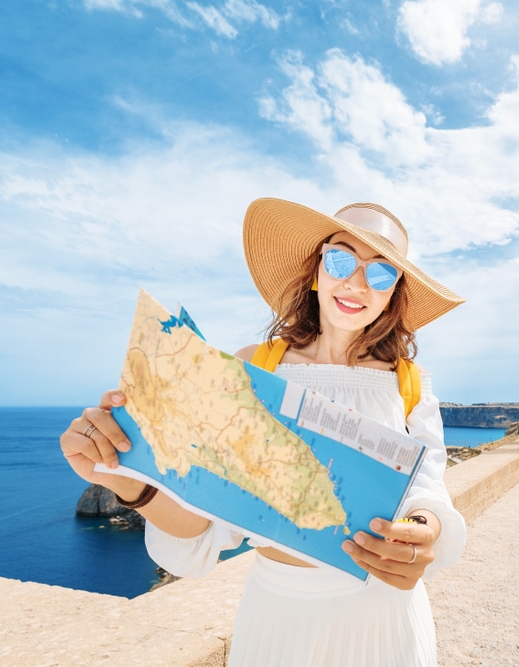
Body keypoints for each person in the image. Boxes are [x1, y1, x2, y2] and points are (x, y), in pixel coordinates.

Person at [59, 199, 467, 666]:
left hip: (386, 617)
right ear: (316, 268)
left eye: (380, 273)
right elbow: (204, 517)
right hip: (278, 617)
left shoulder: (409, 382)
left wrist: (421, 531)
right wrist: (127, 480)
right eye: (340, 259)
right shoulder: (256, 365)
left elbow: (428, 493)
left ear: (393, 292)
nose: (356, 282)